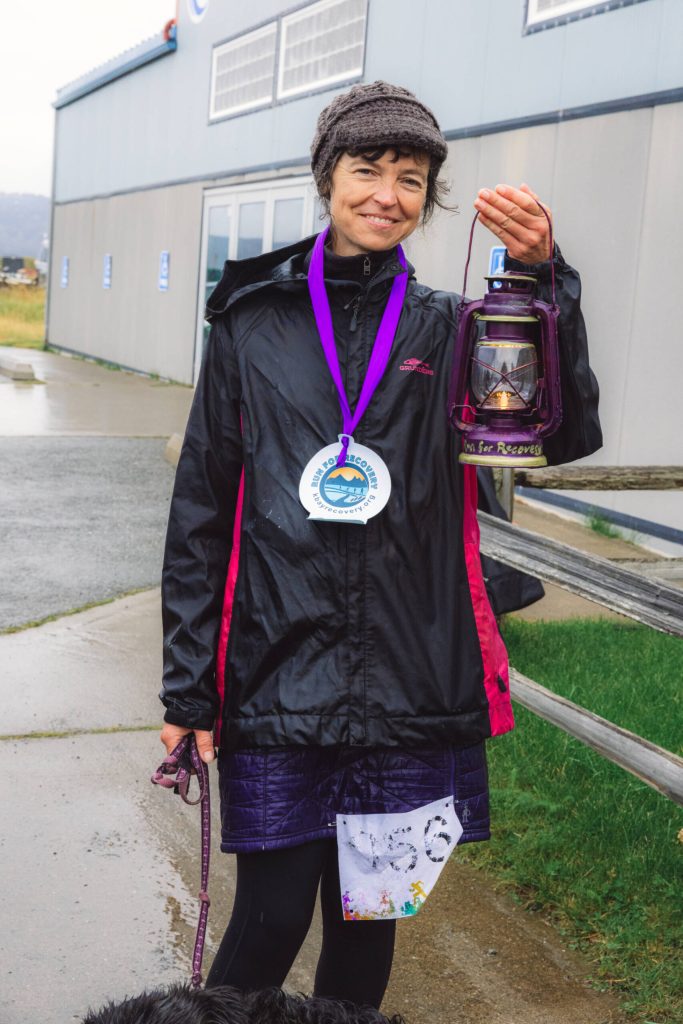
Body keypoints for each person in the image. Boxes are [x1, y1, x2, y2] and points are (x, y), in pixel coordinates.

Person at [159, 81, 602, 1010]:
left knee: (369, 919)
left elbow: (560, 435)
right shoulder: (252, 323)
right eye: (367, 169)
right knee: (269, 919)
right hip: (275, 668)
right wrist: (189, 687)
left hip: (412, 678)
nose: (386, 195)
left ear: (429, 197)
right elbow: (202, 509)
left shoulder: (456, 326)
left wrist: (545, 282)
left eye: (411, 178)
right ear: (328, 177)